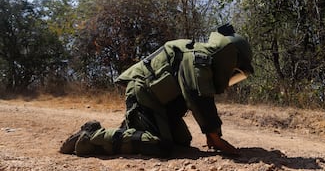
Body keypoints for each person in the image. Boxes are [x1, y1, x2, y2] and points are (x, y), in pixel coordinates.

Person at [60, 24, 254, 157]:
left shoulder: (201, 60)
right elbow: (198, 98)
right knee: (160, 146)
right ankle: (91, 138)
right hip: (143, 96)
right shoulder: (198, 59)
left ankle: (127, 132)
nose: (232, 78)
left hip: (160, 104)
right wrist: (215, 137)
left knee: (182, 142)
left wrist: (212, 135)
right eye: (234, 73)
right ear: (227, 57)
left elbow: (197, 98)